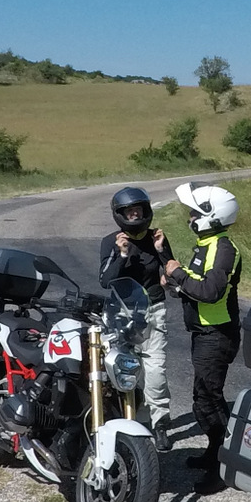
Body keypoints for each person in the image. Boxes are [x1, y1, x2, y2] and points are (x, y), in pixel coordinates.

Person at [162, 182, 241, 493]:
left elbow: (210, 291)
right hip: (203, 332)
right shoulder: (206, 246)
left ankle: (225, 468)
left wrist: (178, 273)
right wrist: (173, 275)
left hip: (217, 334)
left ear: (212, 216)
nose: (190, 216)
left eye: (195, 211)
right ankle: (214, 454)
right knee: (204, 399)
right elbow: (193, 285)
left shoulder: (224, 250)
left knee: (208, 402)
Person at [99, 186, 174, 452]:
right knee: (122, 368)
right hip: (121, 313)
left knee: (155, 371)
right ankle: (125, 419)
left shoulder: (157, 238)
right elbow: (105, 280)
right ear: (120, 215)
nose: (134, 215)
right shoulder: (112, 241)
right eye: (129, 212)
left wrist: (161, 250)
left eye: (138, 210)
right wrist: (120, 254)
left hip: (154, 311)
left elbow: (170, 273)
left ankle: (160, 423)